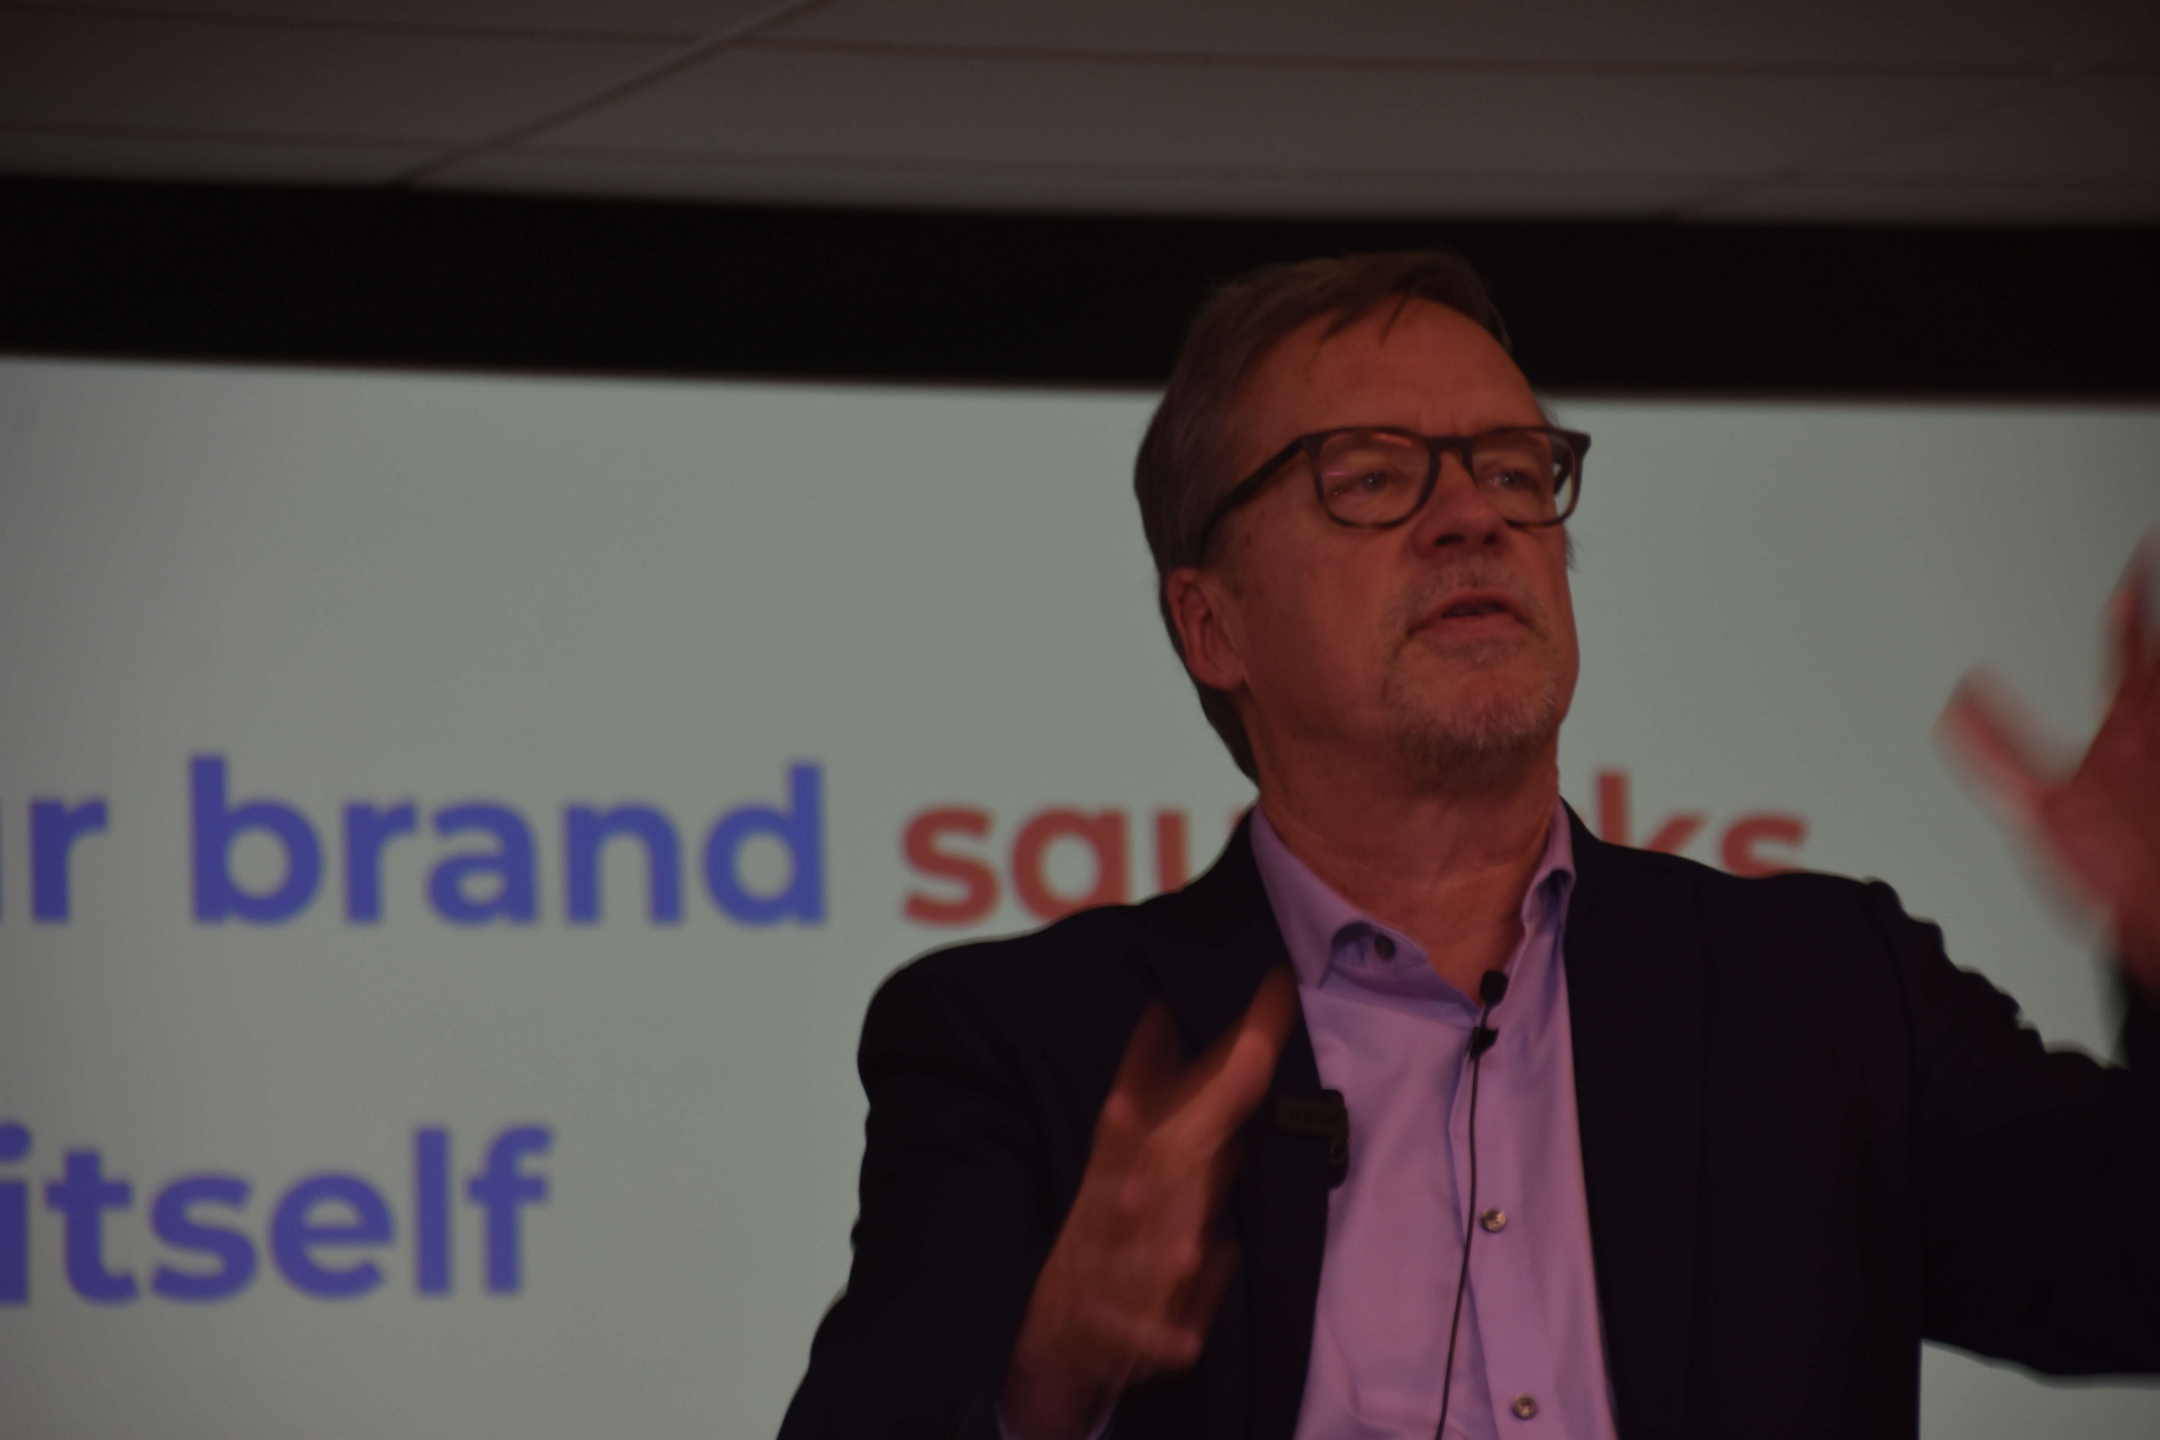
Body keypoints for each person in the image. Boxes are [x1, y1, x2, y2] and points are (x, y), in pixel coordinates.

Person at [776, 251, 2160, 1440]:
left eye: (1514, 467)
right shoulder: (1029, 1051)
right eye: (1370, 478)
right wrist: (1045, 1379)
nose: (1475, 515)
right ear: (1214, 625)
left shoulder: (1822, 993)